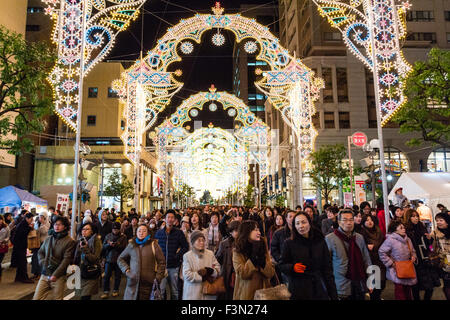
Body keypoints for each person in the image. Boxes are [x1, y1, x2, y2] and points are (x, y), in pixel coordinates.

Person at [279, 212, 338, 300]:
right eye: (297, 223)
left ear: (309, 223)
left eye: (303, 222)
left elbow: (327, 269)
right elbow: (281, 265)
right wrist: (292, 267)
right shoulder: (289, 243)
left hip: (318, 287)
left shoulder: (319, 241)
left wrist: (333, 295)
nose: (301, 226)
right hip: (298, 288)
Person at [325, 209, 372, 300]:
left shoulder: (359, 238)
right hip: (341, 286)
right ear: (339, 222)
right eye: (345, 220)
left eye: (351, 220)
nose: (349, 223)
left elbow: (367, 260)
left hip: (359, 284)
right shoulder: (330, 239)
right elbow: (326, 266)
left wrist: (372, 282)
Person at [118, 224, 166, 300]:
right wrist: (126, 270)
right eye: (139, 231)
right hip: (133, 283)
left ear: (148, 233)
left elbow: (162, 262)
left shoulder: (154, 245)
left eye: (144, 231)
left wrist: (158, 277)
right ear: (136, 233)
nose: (141, 233)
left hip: (148, 284)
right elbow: (120, 259)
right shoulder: (132, 245)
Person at [33, 216, 76, 300]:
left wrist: (55, 275)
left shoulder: (69, 241)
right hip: (45, 273)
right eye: (55, 224)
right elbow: (40, 252)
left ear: (65, 226)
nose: (57, 226)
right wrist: (43, 262)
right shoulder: (49, 238)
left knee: (57, 298)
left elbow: (66, 260)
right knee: (36, 297)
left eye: (59, 225)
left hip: (58, 276)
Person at [403, 209, 440, 300]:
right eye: (413, 216)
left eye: (417, 216)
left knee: (430, 287)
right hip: (415, 260)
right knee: (416, 287)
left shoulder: (421, 226)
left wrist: (429, 240)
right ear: (408, 217)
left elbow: (430, 246)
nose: (416, 218)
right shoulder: (406, 230)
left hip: (426, 259)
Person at [232, 220, 275, 300]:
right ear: (247, 232)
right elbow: (242, 274)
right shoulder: (238, 250)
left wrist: (263, 262)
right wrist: (253, 258)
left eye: (258, 229)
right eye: (255, 230)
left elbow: (271, 273)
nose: (259, 232)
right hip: (246, 294)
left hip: (264, 293)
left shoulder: (262, 246)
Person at [155, 210, 189, 300]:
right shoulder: (158, 233)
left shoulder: (179, 233)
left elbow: (185, 247)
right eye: (168, 217)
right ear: (165, 219)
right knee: (161, 291)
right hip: (161, 267)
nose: (170, 219)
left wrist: (177, 256)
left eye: (172, 218)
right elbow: (155, 249)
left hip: (173, 267)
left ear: (174, 220)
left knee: (174, 291)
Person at [379, 220, 417, 300]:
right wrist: (391, 263)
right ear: (395, 230)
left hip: (407, 268)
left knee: (408, 291)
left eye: (404, 227)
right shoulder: (390, 240)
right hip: (397, 269)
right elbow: (382, 252)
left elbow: (413, 251)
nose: (404, 229)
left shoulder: (407, 239)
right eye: (401, 228)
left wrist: (413, 256)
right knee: (400, 292)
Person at [182, 230, 221, 300]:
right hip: (193, 293)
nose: (202, 243)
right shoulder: (187, 256)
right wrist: (202, 277)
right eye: (199, 240)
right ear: (193, 242)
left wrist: (212, 271)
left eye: (203, 240)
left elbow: (218, 268)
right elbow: (187, 275)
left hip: (208, 292)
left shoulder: (210, 253)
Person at [73, 222, 102, 300]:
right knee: (82, 295)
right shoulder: (80, 240)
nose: (84, 231)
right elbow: (76, 257)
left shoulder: (96, 241)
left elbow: (95, 258)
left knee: (85, 296)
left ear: (92, 231)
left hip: (91, 271)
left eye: (87, 229)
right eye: (83, 229)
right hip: (81, 271)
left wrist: (85, 249)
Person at [360, 214, 386, 300]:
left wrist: (374, 247)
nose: (370, 222)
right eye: (367, 220)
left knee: (382, 284)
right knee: (374, 287)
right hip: (371, 262)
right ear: (363, 223)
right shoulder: (362, 233)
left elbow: (384, 243)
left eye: (371, 220)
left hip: (381, 260)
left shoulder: (378, 230)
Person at [100, 222, 127, 299]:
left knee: (117, 277)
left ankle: (116, 290)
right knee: (106, 276)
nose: (115, 231)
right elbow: (104, 247)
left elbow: (124, 248)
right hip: (109, 259)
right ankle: (106, 291)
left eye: (117, 229)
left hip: (119, 259)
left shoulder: (123, 237)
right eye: (114, 229)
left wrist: (116, 245)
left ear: (119, 229)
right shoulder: (108, 236)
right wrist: (109, 245)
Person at [215, 220, 241, 300]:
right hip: (228, 273)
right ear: (230, 232)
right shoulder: (224, 243)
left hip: (240, 273)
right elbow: (218, 258)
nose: (238, 233)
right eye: (236, 231)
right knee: (228, 295)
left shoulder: (244, 243)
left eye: (240, 230)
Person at [271, 210, 296, 284]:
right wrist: (280, 261)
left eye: (294, 217)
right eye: (290, 217)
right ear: (286, 219)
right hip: (285, 266)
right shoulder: (279, 233)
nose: (292, 219)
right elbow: (274, 249)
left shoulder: (300, 231)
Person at [430, 212, 450, 300]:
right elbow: (431, 247)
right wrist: (432, 250)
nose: (438, 222)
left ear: (447, 222)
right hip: (444, 264)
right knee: (447, 284)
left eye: (441, 220)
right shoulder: (434, 233)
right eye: (437, 220)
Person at [12, 212, 34, 283]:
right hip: (19, 247)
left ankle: (19, 278)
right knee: (23, 263)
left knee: (21, 263)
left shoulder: (23, 224)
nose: (32, 220)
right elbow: (22, 234)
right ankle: (24, 278)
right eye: (31, 219)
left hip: (20, 246)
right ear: (27, 218)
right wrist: (29, 228)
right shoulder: (23, 224)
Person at [31, 211, 50, 280]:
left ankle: (40, 273)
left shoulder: (47, 224)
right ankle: (35, 273)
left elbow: (44, 232)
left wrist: (42, 225)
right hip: (36, 243)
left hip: (43, 243)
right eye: (40, 217)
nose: (40, 219)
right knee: (34, 258)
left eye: (42, 217)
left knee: (41, 258)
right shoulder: (36, 223)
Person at [0, 215, 11, 282]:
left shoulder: (6, 227)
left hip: (2, 247)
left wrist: (5, 241)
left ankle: (0, 276)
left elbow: (8, 236)